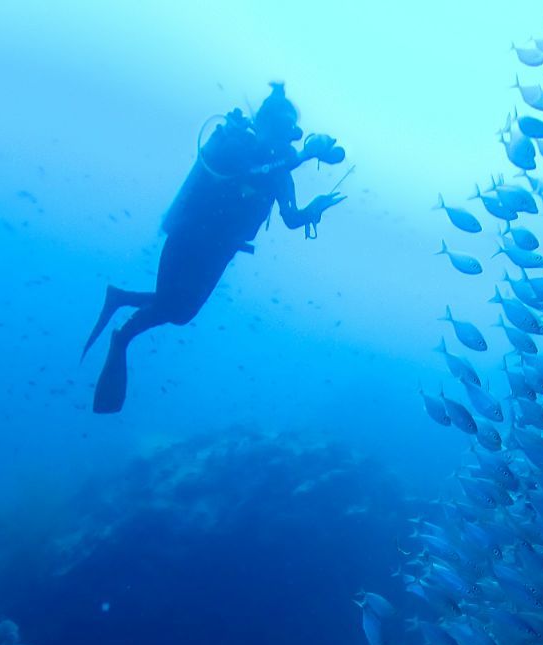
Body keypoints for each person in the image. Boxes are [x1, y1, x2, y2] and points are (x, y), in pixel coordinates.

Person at [82, 83, 346, 413]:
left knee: (180, 314)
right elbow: (242, 171)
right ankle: (121, 335)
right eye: (278, 127)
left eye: (287, 131)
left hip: (222, 250)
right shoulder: (236, 145)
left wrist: (315, 209)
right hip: (189, 235)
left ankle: (120, 299)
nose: (282, 136)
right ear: (262, 122)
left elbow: (291, 219)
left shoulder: (281, 172)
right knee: (169, 305)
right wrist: (302, 158)